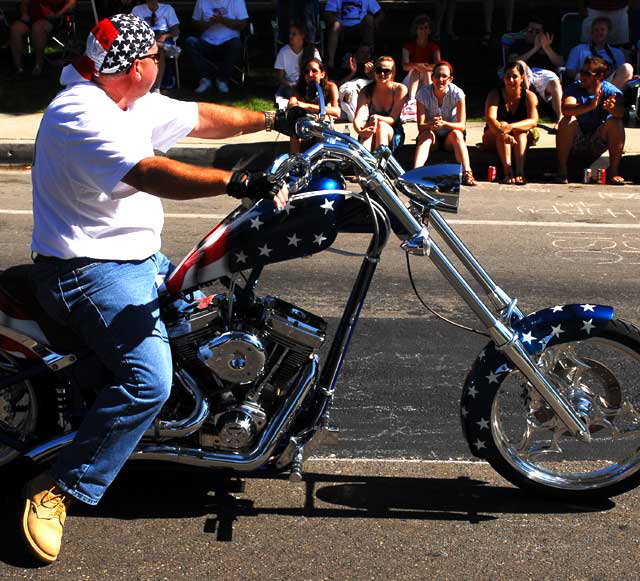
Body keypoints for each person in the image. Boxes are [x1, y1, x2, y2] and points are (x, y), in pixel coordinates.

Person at [20, 13, 291, 565]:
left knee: (218, 311)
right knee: (148, 380)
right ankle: (61, 487)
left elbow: (203, 118)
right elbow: (147, 172)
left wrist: (281, 117)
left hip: (138, 259)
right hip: (88, 270)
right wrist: (236, 181)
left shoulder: (124, 101)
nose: (163, 64)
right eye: (158, 56)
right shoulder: (80, 115)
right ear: (136, 66)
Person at [555, 56, 625, 184]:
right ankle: (562, 171)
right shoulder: (574, 88)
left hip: (598, 139)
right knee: (566, 121)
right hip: (578, 140)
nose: (581, 76)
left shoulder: (611, 91)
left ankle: (614, 172)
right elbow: (566, 109)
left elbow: (621, 112)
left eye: (586, 74)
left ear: (599, 76)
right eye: (581, 72)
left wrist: (612, 108)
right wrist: (590, 106)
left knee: (616, 122)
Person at [414, 61, 476, 186]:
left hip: (450, 136)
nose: (440, 79)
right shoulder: (422, 94)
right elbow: (421, 126)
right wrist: (432, 124)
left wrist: (444, 124)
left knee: (457, 134)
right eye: (437, 76)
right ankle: (415, 173)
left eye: (444, 76)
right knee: (425, 136)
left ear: (450, 79)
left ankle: (467, 172)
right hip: (432, 136)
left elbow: (461, 125)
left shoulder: (458, 93)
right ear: (432, 78)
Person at [482, 60, 539, 184]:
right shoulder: (494, 94)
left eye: (515, 76)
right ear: (503, 78)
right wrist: (503, 132)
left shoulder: (529, 96)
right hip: (495, 134)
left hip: (519, 138)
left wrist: (511, 127)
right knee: (501, 123)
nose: (511, 80)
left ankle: (520, 172)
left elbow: (533, 121)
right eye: (508, 77)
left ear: (522, 78)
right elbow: (490, 119)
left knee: (521, 132)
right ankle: (508, 171)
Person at [508, 16, 564, 128]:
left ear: (543, 33)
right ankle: (526, 114)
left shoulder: (548, 45)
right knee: (521, 64)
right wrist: (534, 49)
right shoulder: (518, 44)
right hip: (525, 72)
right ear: (525, 31)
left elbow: (560, 63)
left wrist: (546, 48)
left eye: (537, 31)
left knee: (554, 81)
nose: (533, 33)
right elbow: (512, 62)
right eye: (530, 30)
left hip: (544, 74)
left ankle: (560, 118)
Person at [184, 0, 248, 95]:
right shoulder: (202, 1)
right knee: (190, 41)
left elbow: (243, 24)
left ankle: (222, 79)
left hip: (229, 42)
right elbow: (195, 23)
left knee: (236, 44)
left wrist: (222, 20)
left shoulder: (236, 1)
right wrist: (209, 23)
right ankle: (205, 79)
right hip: (206, 42)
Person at [353, 55, 408, 152]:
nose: (382, 74)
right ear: (374, 71)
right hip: (371, 129)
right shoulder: (366, 91)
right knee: (369, 129)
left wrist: (377, 117)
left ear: (393, 73)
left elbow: (393, 119)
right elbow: (358, 117)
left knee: (381, 125)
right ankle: (364, 162)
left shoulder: (399, 89)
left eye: (387, 71)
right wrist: (360, 131)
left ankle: (380, 160)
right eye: (378, 70)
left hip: (393, 132)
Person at [565, 16, 633, 91]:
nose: (599, 32)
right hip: (586, 81)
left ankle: (609, 97)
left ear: (608, 32)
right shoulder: (579, 49)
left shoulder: (617, 53)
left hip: (610, 83)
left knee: (627, 68)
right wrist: (589, 75)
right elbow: (570, 71)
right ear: (591, 32)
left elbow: (620, 74)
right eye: (596, 30)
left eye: (602, 29)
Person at [10, 0, 76, 75]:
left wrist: (57, 14)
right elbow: (24, 3)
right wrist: (24, 14)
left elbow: (72, 3)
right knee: (15, 29)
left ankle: (38, 64)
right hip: (30, 18)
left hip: (50, 19)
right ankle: (18, 66)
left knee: (38, 28)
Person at [288, 57, 340, 152]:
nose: (310, 74)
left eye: (314, 71)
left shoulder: (331, 87)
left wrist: (307, 106)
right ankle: (294, 160)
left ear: (322, 74)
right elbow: (292, 104)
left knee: (320, 125)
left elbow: (337, 111)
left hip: (322, 125)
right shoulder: (299, 88)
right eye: (306, 72)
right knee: (294, 127)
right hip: (305, 124)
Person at [131, 0, 180, 92]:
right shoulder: (137, 10)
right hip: (145, 36)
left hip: (163, 35)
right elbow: (134, 29)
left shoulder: (167, 9)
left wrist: (165, 36)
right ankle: (162, 46)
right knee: (155, 47)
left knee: (158, 50)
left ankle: (156, 87)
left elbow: (176, 30)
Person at [324, 0, 383, 69]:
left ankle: (370, 59)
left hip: (360, 27)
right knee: (336, 25)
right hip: (342, 27)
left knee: (369, 18)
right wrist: (334, 21)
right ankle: (331, 61)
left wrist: (375, 24)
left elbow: (380, 13)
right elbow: (328, 13)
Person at [274, 22, 319, 109]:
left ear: (302, 36)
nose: (290, 36)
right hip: (292, 86)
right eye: (290, 34)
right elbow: (280, 78)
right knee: (291, 92)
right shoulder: (283, 52)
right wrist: (291, 85)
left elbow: (318, 71)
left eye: (294, 34)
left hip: (309, 84)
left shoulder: (312, 51)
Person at [401, 14, 441, 102]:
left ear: (430, 30)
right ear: (416, 30)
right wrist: (416, 65)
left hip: (428, 79)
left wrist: (424, 67)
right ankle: (411, 101)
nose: (423, 31)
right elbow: (405, 66)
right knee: (416, 70)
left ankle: (429, 99)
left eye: (426, 28)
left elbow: (439, 66)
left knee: (426, 72)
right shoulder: (408, 46)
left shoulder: (434, 47)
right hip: (411, 81)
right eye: (421, 28)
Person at [335, 43, 374, 121]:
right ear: (356, 54)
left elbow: (379, 85)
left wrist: (370, 74)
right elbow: (337, 86)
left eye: (367, 53)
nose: (365, 55)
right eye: (362, 52)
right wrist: (352, 73)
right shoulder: (348, 66)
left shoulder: (374, 67)